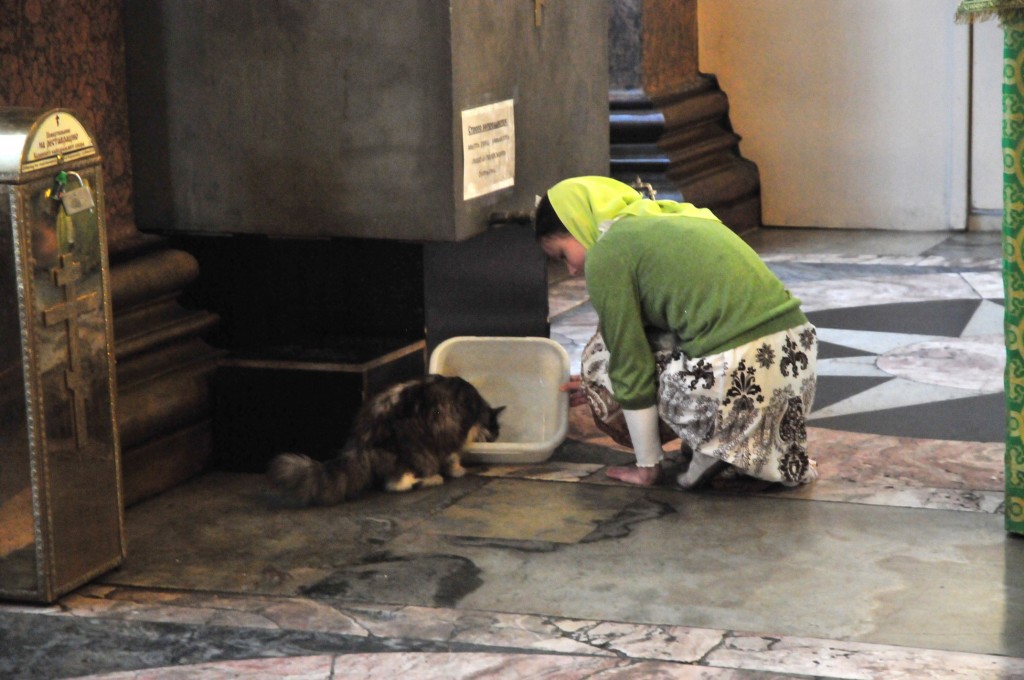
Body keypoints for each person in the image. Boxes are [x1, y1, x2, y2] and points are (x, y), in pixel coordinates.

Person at [536, 176, 818, 489]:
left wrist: (646, 465)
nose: (572, 270)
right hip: (795, 358)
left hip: (740, 368)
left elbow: (629, 361)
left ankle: (715, 443)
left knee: (603, 354)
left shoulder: (608, 251)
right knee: (653, 337)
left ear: (577, 222)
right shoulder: (678, 215)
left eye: (562, 255)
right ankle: (729, 443)